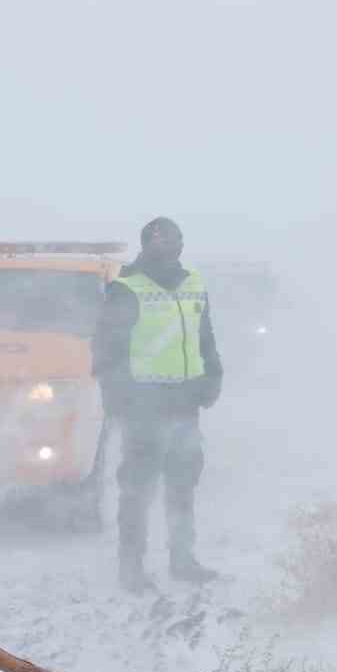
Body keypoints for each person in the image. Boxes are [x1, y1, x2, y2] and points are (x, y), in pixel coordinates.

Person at [92, 217, 223, 592]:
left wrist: (213, 376)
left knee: (183, 483)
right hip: (143, 406)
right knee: (137, 487)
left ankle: (182, 559)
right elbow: (105, 350)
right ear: (146, 245)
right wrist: (119, 400)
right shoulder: (126, 288)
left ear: (182, 244)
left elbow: (206, 337)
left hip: (186, 403)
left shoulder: (193, 283)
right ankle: (130, 568)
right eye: (159, 242)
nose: (167, 248)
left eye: (174, 241)